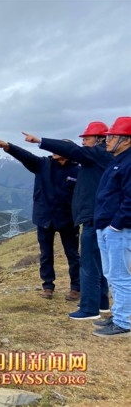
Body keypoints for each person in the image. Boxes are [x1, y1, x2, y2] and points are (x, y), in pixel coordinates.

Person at [22, 122, 113, 320]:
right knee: (97, 262)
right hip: (91, 216)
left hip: (89, 217)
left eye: (87, 138)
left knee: (88, 263)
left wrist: (40, 141)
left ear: (100, 139)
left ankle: (89, 308)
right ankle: (102, 303)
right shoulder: (100, 158)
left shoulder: (94, 156)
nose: (84, 142)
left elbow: (72, 150)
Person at [0, 138, 80, 300]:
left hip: (68, 219)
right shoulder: (43, 165)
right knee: (46, 254)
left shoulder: (78, 170)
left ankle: (76, 287)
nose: (54, 151)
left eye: (59, 148)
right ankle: (48, 286)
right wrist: (9, 147)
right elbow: (26, 156)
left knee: (72, 254)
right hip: (44, 218)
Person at [92, 116, 131, 338]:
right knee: (111, 274)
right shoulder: (117, 160)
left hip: (119, 230)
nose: (107, 140)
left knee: (119, 275)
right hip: (107, 228)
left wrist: (116, 225)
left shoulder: (129, 163)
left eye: (113, 136)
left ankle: (124, 322)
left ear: (126, 140)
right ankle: (118, 316)